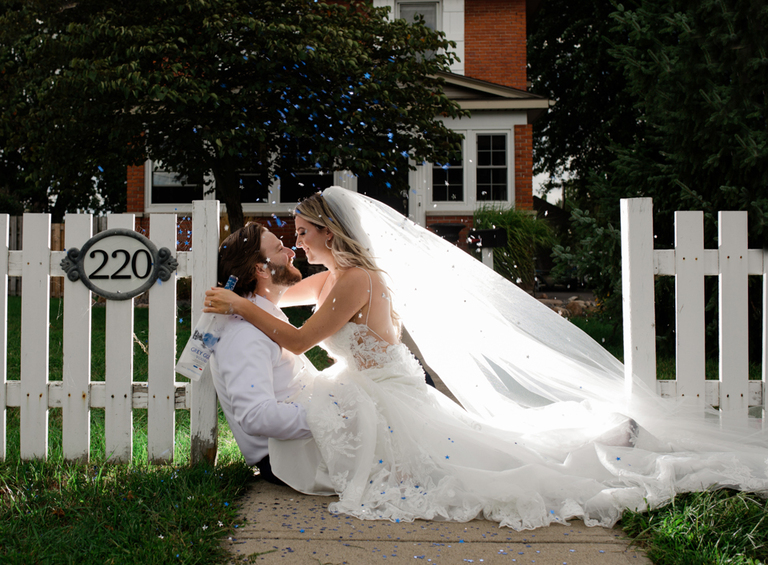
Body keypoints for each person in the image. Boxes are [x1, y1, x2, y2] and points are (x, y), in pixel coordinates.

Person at [205, 187, 768, 530]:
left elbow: (298, 342)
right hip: (370, 391)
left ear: (330, 233)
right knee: (478, 449)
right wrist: (243, 296)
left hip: (387, 395)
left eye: (303, 234)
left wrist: (238, 305)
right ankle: (598, 439)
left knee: (478, 467)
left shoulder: (357, 281)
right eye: (293, 238)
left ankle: (596, 447)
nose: (297, 244)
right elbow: (276, 300)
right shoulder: (332, 279)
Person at [209, 222, 317, 486]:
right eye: (280, 248)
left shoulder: (262, 317)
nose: (292, 252)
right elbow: (255, 416)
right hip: (291, 458)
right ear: (260, 269)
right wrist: (331, 416)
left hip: (303, 444)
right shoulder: (244, 334)